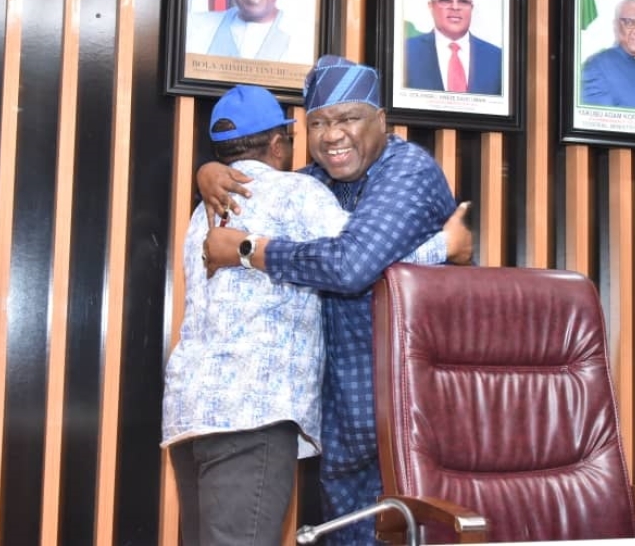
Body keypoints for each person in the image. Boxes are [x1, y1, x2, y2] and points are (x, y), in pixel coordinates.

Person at [162, 83, 464, 546]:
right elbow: (358, 259)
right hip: (253, 413)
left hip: (191, 413)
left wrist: (206, 171)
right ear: (280, 144)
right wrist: (449, 245)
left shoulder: (203, 210)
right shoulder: (297, 193)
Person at [404, 0, 503, 95]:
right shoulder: (405, 51)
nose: (455, 7)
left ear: (471, 7)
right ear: (431, 6)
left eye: (463, 1)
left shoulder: (498, 58)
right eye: (446, 0)